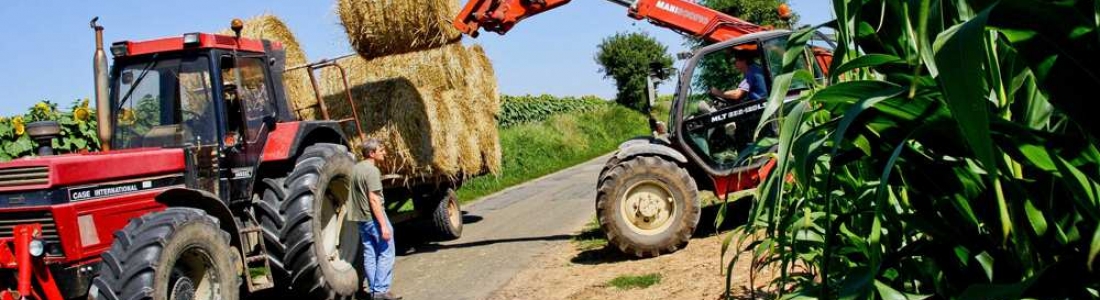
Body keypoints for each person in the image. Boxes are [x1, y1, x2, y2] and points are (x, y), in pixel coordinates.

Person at [347, 139, 402, 300]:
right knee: (387, 252)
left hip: (360, 218)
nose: (384, 152)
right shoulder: (372, 171)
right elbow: (374, 199)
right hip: (373, 217)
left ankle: (374, 290)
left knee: (370, 253)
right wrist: (383, 225)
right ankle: (380, 290)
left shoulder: (356, 168)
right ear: (371, 153)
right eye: (381, 150)